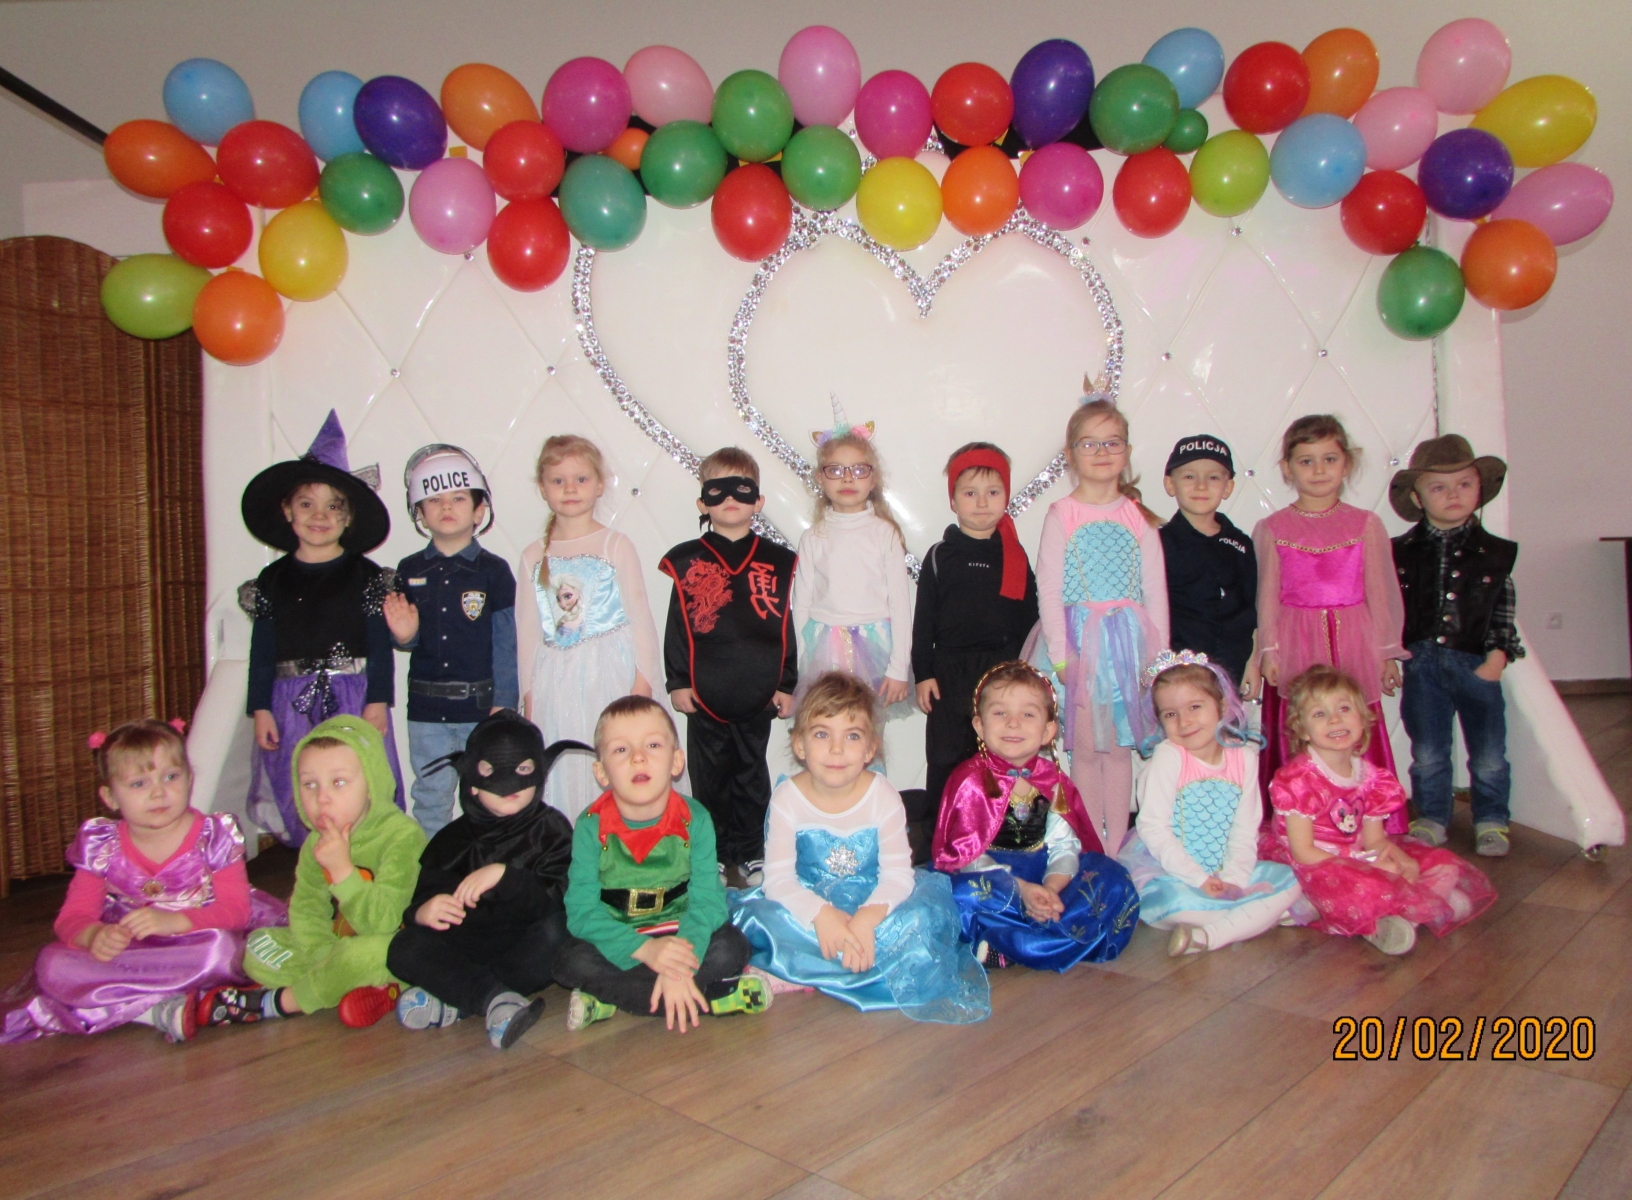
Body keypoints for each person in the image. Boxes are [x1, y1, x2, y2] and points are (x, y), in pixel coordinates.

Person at [1, 720, 285, 1044]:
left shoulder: (213, 836)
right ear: (110, 797)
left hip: (196, 939)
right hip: (133, 949)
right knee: (52, 964)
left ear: (190, 779)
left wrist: (175, 922)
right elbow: (72, 917)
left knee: (225, 950)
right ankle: (160, 1007)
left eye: (171, 777)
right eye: (138, 784)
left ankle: (144, 1006)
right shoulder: (102, 845)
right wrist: (94, 936)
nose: (158, 792)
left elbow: (236, 911)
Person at [732, 671, 990, 1021]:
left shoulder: (883, 796)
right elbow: (778, 880)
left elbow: (897, 876)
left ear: (870, 749)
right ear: (799, 744)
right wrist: (822, 915)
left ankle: (802, 968)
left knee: (917, 919)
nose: (836, 749)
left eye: (852, 735)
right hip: (808, 900)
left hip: (873, 898)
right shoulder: (787, 798)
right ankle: (831, 963)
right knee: (763, 919)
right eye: (822, 734)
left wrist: (866, 920)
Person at [553, 696, 769, 1032]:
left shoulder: (696, 818)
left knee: (732, 947)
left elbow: (708, 902)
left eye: (652, 745)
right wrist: (646, 950)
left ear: (676, 761)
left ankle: (615, 997)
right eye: (621, 750)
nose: (638, 757)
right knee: (569, 960)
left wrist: (678, 965)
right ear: (602, 772)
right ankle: (715, 997)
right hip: (621, 936)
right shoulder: (589, 826)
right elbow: (582, 912)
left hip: (681, 932)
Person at [240, 409, 404, 846]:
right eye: (307, 504)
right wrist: (260, 707)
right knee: (304, 780)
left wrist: (378, 701)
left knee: (356, 777)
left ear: (348, 517)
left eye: (333, 506)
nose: (320, 515)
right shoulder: (272, 581)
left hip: (353, 694)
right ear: (287, 511)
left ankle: (366, 861)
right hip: (290, 699)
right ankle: (316, 861)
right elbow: (262, 650)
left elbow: (379, 644)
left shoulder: (367, 576)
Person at [199, 715, 428, 1029]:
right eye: (309, 785)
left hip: (394, 942)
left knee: (366, 955)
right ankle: (354, 984)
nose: (322, 798)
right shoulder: (315, 842)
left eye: (339, 782)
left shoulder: (402, 837)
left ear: (371, 785)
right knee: (256, 948)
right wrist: (323, 955)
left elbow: (384, 921)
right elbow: (307, 909)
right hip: (336, 948)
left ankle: (280, 1002)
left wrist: (342, 870)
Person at [1259, 666, 1496, 956]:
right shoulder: (1299, 780)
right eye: (1319, 714)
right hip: (1314, 862)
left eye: (1344, 708)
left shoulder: (1371, 779)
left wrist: (1402, 859)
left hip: (1355, 853)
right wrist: (1365, 867)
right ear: (1302, 730)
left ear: (1362, 717)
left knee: (1441, 866)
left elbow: (1375, 840)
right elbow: (1303, 852)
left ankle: (1412, 907)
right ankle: (1389, 919)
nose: (1335, 719)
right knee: (1370, 881)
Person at [388, 712, 587, 1049]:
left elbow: (558, 901)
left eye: (523, 769)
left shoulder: (551, 829)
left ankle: (461, 1000)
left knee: (561, 933)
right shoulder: (453, 838)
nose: (510, 784)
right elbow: (425, 896)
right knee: (403, 947)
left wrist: (505, 876)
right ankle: (495, 1000)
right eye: (492, 770)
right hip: (467, 945)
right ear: (473, 783)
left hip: (523, 945)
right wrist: (422, 911)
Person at [933, 662, 1139, 971]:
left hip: (1046, 876)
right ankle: (1037, 940)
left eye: (1028, 715)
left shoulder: (1053, 781)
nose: (1013, 723)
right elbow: (967, 857)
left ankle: (1012, 941)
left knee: (1113, 879)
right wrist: (1022, 889)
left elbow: (1065, 846)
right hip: (994, 881)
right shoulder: (970, 781)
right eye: (1000, 713)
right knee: (959, 894)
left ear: (1047, 731)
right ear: (979, 725)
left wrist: (1051, 889)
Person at [1254, 415, 1407, 824]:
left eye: (1329, 459)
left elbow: (1381, 593)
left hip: (1354, 639)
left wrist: (1386, 652)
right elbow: (1267, 596)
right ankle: (1301, 820)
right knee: (1305, 720)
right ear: (1288, 468)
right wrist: (1269, 648)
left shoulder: (1366, 524)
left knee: (1350, 718)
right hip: (1297, 640)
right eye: (1306, 461)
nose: (1318, 470)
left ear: (1346, 464)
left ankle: (1369, 817)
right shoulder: (1273, 528)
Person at [1036, 396, 1168, 854]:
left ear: (1127, 451)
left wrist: (1157, 661)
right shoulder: (1063, 514)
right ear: (1071, 454)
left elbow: (1155, 592)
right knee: (1087, 749)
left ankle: (1116, 847)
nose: (1102, 452)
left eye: (1112, 442)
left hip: (1128, 647)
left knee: (1119, 749)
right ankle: (1092, 845)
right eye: (1089, 443)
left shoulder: (1138, 517)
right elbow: (1049, 589)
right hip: (1080, 646)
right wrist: (1061, 656)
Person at [660, 447, 797, 886]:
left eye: (742, 489)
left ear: (758, 500)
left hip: (758, 687)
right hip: (705, 690)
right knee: (709, 778)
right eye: (718, 491)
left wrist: (786, 682)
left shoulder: (776, 561)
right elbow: (678, 626)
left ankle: (753, 850)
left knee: (752, 774)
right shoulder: (689, 560)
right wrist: (678, 680)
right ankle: (715, 853)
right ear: (703, 503)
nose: (731, 499)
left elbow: (785, 625)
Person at [517, 435, 664, 822]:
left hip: (610, 675)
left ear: (599, 485)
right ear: (543, 488)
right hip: (555, 683)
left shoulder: (615, 545)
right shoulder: (533, 555)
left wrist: (643, 685)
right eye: (558, 480)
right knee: (567, 766)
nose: (570, 489)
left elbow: (641, 621)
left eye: (581, 479)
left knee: (619, 760)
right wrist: (529, 699)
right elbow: (527, 635)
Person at [1389, 435, 1523, 858]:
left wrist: (1496, 658)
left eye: (1464, 484)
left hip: (1475, 662)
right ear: (1417, 496)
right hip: (1421, 664)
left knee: (1489, 752)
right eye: (1439, 487)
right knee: (1428, 750)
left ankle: (1492, 818)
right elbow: (1390, 607)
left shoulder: (1495, 553)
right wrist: (1390, 653)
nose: (1453, 495)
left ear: (1479, 490)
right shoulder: (1399, 552)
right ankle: (1432, 816)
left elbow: (1502, 607)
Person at [1119, 652, 1304, 957]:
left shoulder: (1244, 758)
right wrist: (1200, 880)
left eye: (1195, 707)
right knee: (1184, 907)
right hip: (1172, 873)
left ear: (1222, 706)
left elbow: (1245, 830)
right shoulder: (1169, 756)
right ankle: (1254, 917)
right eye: (1170, 714)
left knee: (1293, 881)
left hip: (1224, 869)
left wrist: (1233, 881)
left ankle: (1209, 936)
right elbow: (1153, 829)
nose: (1184, 721)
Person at [383, 445, 518, 837]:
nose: (446, 506)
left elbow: (506, 642)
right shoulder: (409, 569)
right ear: (419, 513)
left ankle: (487, 864)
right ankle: (434, 867)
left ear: (479, 510)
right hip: (427, 711)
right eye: (434, 499)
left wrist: (504, 703)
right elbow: (405, 636)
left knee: (490, 796)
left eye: (459, 498)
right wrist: (404, 636)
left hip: (480, 708)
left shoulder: (494, 571)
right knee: (430, 796)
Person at [912, 443, 1039, 824]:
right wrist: (923, 673)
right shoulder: (940, 555)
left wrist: (1028, 676)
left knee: (1001, 756)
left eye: (993, 492)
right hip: (949, 673)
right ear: (953, 500)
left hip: (1002, 673)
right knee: (946, 758)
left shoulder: (1015, 556)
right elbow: (924, 621)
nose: (982, 503)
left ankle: (1001, 833)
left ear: (1006, 497)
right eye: (970, 493)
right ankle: (940, 836)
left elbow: (1030, 621)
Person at [791, 403, 914, 710]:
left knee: (867, 724)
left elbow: (900, 604)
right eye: (835, 470)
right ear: (821, 479)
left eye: (859, 470)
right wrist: (802, 663)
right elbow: (801, 604)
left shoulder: (884, 533)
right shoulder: (814, 537)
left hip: (876, 645)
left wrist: (899, 667)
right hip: (823, 648)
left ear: (873, 479)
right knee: (828, 719)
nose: (847, 479)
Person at [1159, 435, 1260, 697]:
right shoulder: (1158, 544)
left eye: (1213, 477)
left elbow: (1252, 609)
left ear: (1228, 487)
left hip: (1232, 669)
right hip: (1178, 675)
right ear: (1170, 484)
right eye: (1189, 476)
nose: (1201, 486)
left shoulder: (1241, 544)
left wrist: (1253, 662)